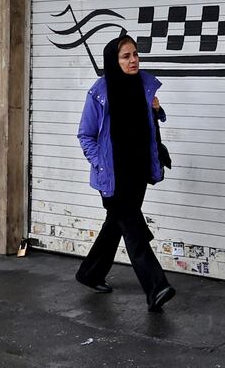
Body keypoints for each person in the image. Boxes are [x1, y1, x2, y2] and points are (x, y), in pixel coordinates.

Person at [75, 35, 176, 312]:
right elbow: (86, 135)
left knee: (115, 225)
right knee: (133, 230)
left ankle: (90, 272)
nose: (133, 60)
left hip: (138, 169)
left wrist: (157, 110)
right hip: (113, 175)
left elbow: (145, 124)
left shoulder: (143, 85)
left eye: (135, 55)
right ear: (113, 60)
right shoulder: (100, 92)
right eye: (125, 56)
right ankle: (156, 287)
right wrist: (101, 163)